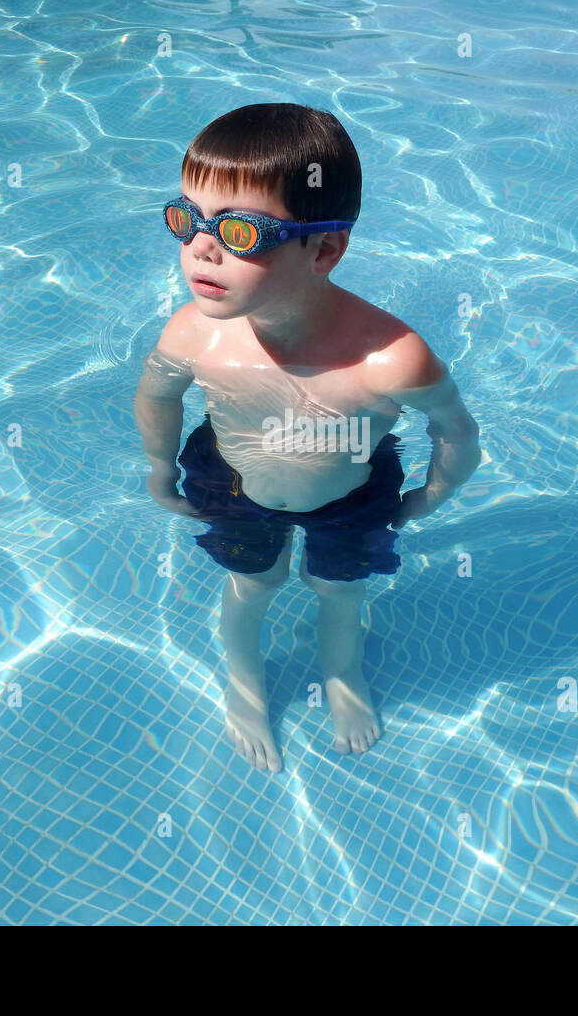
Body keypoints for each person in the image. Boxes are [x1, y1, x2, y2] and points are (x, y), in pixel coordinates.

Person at [133, 103, 481, 773]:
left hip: (350, 493)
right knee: (252, 581)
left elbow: (458, 433)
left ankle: (342, 675)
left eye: (238, 231)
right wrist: (159, 466)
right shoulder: (193, 333)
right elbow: (156, 395)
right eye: (187, 218)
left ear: (323, 250)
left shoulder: (390, 360)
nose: (201, 246)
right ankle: (244, 684)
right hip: (234, 479)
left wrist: (432, 494)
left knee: (339, 590)